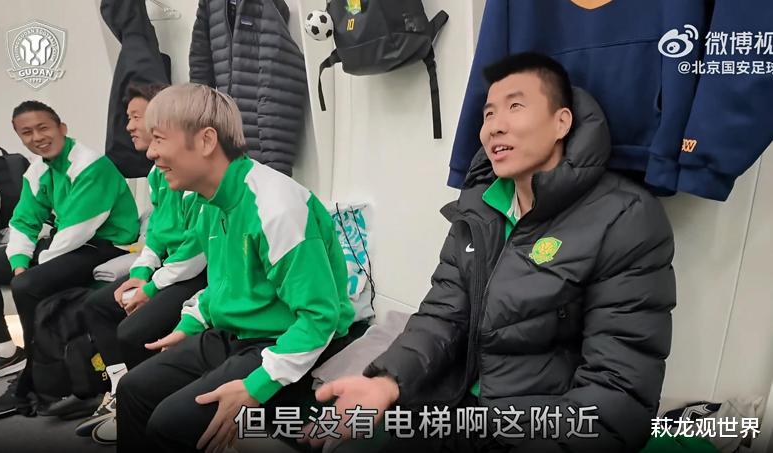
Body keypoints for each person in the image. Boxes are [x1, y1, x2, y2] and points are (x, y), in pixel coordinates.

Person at [305, 53, 677, 452]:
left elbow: (617, 390)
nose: (494, 126)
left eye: (515, 106)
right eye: (488, 114)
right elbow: (444, 314)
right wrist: (386, 382)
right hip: (455, 407)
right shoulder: (478, 209)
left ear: (561, 122)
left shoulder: (625, 218)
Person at [116, 83, 357, 452]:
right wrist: (190, 324)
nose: (151, 152)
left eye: (159, 139)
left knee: (170, 423)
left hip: (286, 339)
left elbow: (319, 317)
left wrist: (257, 386)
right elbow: (226, 282)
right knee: (133, 388)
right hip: (237, 334)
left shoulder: (276, 207)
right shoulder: (208, 201)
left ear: (206, 140)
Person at [0, 101, 139, 416]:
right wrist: (19, 262)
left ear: (62, 128)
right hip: (67, 241)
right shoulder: (38, 170)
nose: (37, 137)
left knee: (28, 285)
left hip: (106, 244)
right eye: (27, 132)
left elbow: (78, 230)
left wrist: (34, 268)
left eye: (43, 128)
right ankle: (5, 349)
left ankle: (35, 376)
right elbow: (23, 221)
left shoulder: (91, 165)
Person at [75, 83, 208, 444]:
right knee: (96, 306)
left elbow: (196, 253)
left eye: (138, 117)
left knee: (131, 331)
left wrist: (151, 287)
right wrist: (139, 273)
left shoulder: (199, 177)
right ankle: (120, 389)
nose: (130, 126)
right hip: (168, 269)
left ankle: (142, 402)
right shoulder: (157, 174)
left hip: (195, 273)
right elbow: (157, 236)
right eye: (129, 118)